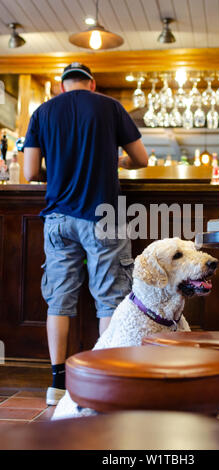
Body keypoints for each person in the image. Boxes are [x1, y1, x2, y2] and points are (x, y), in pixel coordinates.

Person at [23, 62, 148, 405]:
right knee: (109, 298)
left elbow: (31, 170)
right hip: (103, 214)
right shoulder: (110, 106)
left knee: (59, 300)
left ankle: (56, 384)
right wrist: (116, 162)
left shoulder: (42, 112)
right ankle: (102, 380)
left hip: (59, 220)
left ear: (62, 86)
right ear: (92, 84)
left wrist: (61, 167)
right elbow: (142, 159)